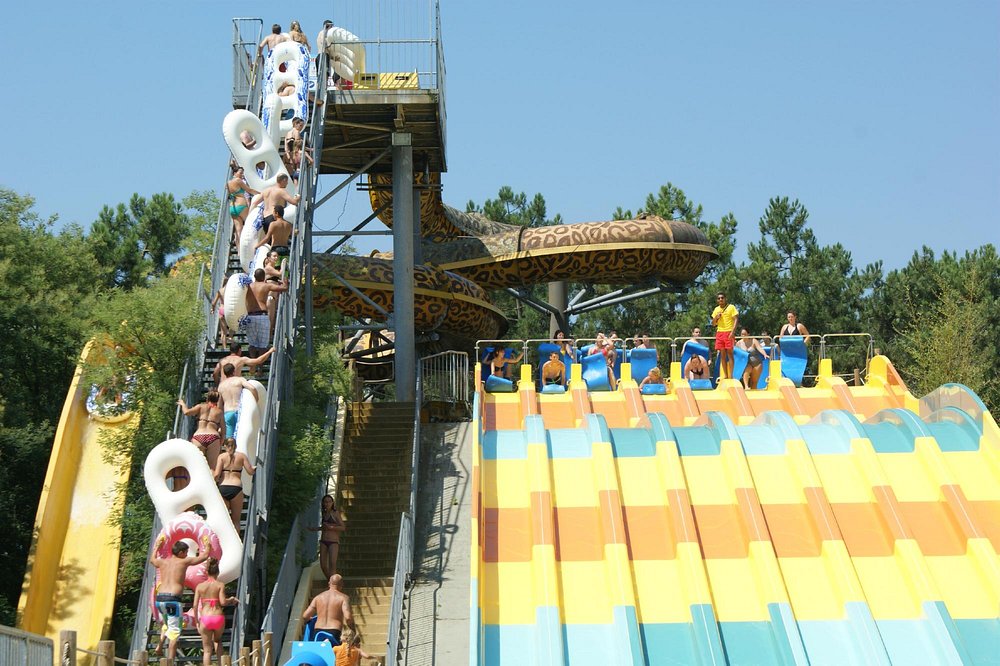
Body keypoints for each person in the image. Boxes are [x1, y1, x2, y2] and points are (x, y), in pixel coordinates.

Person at [150, 536, 211, 662]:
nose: (187, 554)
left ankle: (159, 646)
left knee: (168, 624)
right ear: (181, 552)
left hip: (160, 600)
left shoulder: (163, 561)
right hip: (172, 600)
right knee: (174, 632)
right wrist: (207, 545)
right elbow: (203, 557)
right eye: (186, 552)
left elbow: (152, 560)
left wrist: (157, 546)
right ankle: (170, 661)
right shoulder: (183, 561)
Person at [193, 558, 238, 666]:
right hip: (217, 617)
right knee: (218, 641)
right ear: (217, 572)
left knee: (207, 650)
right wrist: (231, 599)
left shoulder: (200, 586)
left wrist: (197, 622)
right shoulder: (220, 585)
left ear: (206, 572)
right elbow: (222, 602)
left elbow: (195, 605)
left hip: (205, 618)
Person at [213, 437, 255, 529]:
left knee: (223, 519)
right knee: (236, 520)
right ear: (236, 446)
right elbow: (250, 471)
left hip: (223, 487)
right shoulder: (242, 456)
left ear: (224, 446)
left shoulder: (221, 457)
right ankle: (236, 543)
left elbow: (216, 475)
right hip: (236, 489)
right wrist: (254, 468)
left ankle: (222, 541)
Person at [303, 574, 356, 646]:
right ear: (342, 584)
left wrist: (310, 620)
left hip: (318, 631)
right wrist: (353, 630)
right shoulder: (343, 598)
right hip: (334, 631)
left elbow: (305, 616)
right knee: (334, 655)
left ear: (329, 583)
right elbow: (348, 618)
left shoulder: (318, 597)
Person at [246, 269, 289, 358]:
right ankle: (260, 369)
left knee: (251, 344)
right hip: (262, 316)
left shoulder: (247, 286)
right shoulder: (266, 286)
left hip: (250, 316)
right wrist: (285, 281)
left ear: (254, 276)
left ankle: (253, 362)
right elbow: (284, 288)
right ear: (264, 277)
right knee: (263, 345)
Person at [177, 391, 225, 469]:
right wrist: (220, 443)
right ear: (217, 400)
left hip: (199, 436)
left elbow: (186, 412)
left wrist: (183, 404)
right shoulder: (219, 412)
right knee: (212, 468)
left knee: (196, 466)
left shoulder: (201, 406)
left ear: (207, 398)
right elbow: (223, 431)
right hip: (213, 437)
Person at [308, 494, 346, 579]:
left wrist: (331, 527)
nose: (327, 504)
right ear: (323, 503)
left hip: (333, 541)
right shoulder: (324, 513)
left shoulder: (335, 513)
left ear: (332, 503)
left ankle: (332, 585)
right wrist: (316, 529)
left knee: (332, 563)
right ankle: (331, 581)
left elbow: (343, 527)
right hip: (324, 540)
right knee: (323, 565)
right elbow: (324, 527)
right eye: (325, 502)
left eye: (329, 502)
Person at [218, 364, 259, 439]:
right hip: (240, 411)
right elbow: (252, 388)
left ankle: (230, 450)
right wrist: (256, 401)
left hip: (228, 412)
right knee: (243, 436)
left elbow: (219, 405)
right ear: (234, 371)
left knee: (230, 439)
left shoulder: (221, 385)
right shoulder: (239, 379)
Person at [255, 204, 295, 275]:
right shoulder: (288, 225)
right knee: (284, 273)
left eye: (273, 212)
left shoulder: (273, 224)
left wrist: (257, 246)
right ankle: (284, 285)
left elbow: (267, 238)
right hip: (285, 249)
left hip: (276, 250)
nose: (272, 214)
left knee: (276, 272)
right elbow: (293, 234)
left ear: (276, 213)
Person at [711, 293, 739, 380]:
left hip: (728, 332)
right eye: (719, 298)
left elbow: (736, 319)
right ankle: (725, 375)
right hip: (720, 333)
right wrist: (716, 317)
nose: (720, 299)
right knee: (722, 355)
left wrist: (733, 332)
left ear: (725, 298)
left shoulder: (731, 307)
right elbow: (713, 324)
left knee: (730, 354)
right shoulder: (716, 309)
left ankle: (731, 375)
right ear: (717, 300)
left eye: (722, 298)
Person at [227, 167, 256, 244]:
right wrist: (261, 194)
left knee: (238, 231)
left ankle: (240, 252)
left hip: (232, 207)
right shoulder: (238, 180)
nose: (242, 174)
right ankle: (249, 246)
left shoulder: (228, 183)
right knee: (249, 225)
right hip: (241, 205)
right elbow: (249, 190)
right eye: (240, 173)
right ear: (234, 173)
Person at [210, 276, 232, 348]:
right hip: (229, 309)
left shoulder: (220, 291)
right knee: (234, 326)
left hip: (222, 310)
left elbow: (214, 303)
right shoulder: (231, 290)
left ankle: (225, 348)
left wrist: (212, 309)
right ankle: (231, 337)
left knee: (223, 332)